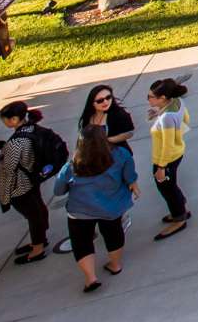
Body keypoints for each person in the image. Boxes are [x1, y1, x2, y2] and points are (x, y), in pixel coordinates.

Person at [53, 124, 136, 293]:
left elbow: (58, 190)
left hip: (80, 210)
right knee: (114, 235)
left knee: (81, 242)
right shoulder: (121, 155)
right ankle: (115, 265)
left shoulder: (72, 164)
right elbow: (129, 177)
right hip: (111, 208)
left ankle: (90, 278)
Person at [0, 101, 55, 265]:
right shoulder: (32, 129)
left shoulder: (16, 142)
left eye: (5, 119)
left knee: (33, 216)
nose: (4, 122)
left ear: (13, 119)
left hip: (20, 185)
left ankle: (38, 249)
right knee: (38, 209)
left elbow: (6, 167)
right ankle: (40, 240)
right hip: (33, 178)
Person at [145, 78, 192, 239]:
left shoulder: (167, 118)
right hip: (177, 153)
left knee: (167, 189)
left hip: (166, 159)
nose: (148, 99)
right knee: (171, 186)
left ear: (163, 97)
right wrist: (158, 112)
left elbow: (167, 145)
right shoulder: (177, 102)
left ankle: (179, 218)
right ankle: (181, 208)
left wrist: (161, 167)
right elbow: (186, 119)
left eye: (151, 97)